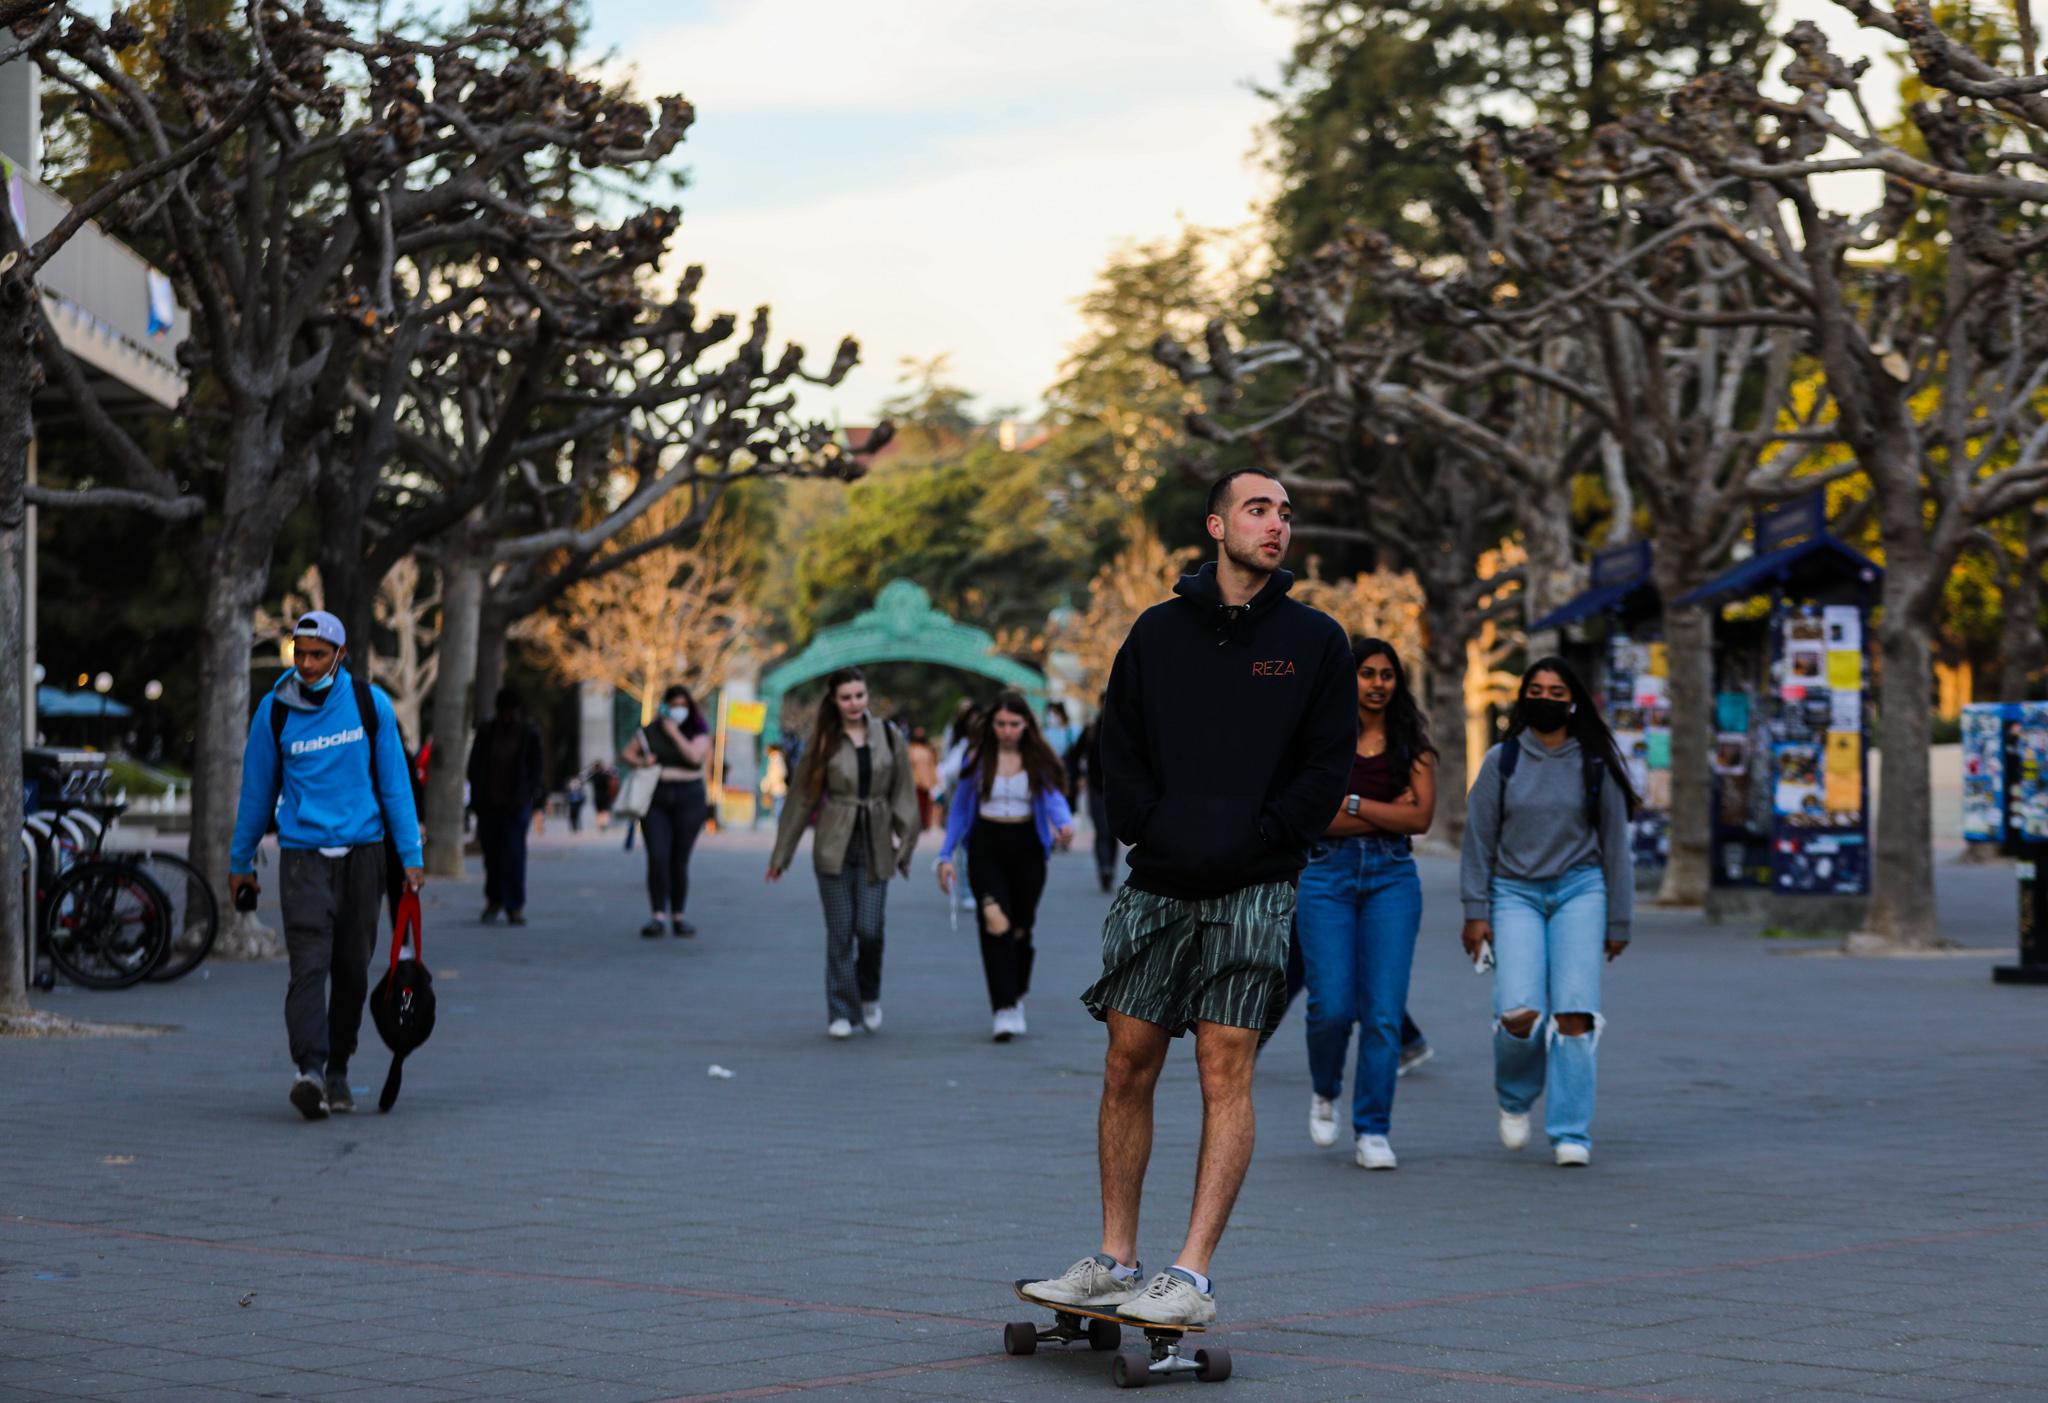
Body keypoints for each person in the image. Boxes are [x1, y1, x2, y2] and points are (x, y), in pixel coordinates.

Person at [1024, 468, 1353, 1329]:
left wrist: (1265, 836)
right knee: (1127, 1063)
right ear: (1217, 524)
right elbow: (1118, 743)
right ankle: (1114, 1257)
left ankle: (1190, 1275)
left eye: (1286, 512)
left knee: (1223, 1072)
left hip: (1255, 887)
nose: (1276, 523)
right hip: (1158, 881)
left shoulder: (1317, 639)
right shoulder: (1158, 632)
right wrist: (1148, 827)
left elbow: (1328, 763)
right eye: (1258, 509)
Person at [228, 610, 425, 1121]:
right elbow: (256, 794)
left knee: (352, 970)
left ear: (341, 655)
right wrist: (240, 860)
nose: (309, 664)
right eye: (301, 653)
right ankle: (309, 1072)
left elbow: (396, 787)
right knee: (308, 965)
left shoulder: (369, 704)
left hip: (365, 855)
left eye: (319, 655)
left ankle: (338, 1068)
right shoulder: (275, 712)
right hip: (302, 859)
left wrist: (411, 858)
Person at [1460, 656, 1637, 1168]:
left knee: (1576, 1012)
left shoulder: (1595, 762)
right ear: (1523, 697)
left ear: (1573, 700)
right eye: (1536, 689)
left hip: (1580, 891)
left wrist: (1619, 921)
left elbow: (1615, 847)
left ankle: (1570, 1130)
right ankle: (1515, 1099)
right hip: (1514, 892)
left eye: (1557, 691)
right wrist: (1476, 911)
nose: (1546, 698)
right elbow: (1478, 842)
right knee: (1518, 1013)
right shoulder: (1502, 760)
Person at [1297, 638, 1437, 1170]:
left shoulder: (1412, 743)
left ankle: (1373, 1129)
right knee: (1330, 1006)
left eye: (1387, 675)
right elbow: (1313, 817)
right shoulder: (1320, 739)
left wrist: (1352, 802)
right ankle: (1325, 1089)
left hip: (1392, 878)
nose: (1378, 684)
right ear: (1347, 679)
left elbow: (1421, 820)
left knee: (1382, 1013)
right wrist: (1385, 809)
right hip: (1325, 873)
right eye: (1367, 674)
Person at [767, 667, 920, 1038]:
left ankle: (868, 994)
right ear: (834, 701)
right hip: (834, 841)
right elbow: (802, 798)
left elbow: (903, 790)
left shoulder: (888, 735)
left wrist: (906, 844)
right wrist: (781, 856)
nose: (854, 703)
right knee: (840, 931)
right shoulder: (823, 740)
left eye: (859, 695)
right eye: (846, 697)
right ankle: (840, 1010)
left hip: (876, 841)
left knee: (869, 930)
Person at [936, 693, 1075, 1041]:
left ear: (1026, 724)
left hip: (1028, 847)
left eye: (1014, 724)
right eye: (1000, 724)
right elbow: (959, 809)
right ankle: (1003, 1007)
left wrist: (1064, 823)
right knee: (994, 922)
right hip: (987, 844)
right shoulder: (978, 758)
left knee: (1021, 929)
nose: (1007, 731)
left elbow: (1054, 798)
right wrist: (945, 855)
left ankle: (1016, 993)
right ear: (991, 725)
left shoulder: (1037, 759)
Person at [622, 685, 712, 939]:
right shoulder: (652, 729)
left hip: (689, 798)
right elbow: (627, 752)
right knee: (658, 857)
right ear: (666, 706)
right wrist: (641, 762)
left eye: (683, 705)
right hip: (656, 799)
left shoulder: (698, 729)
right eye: (674, 705)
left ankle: (679, 917)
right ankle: (657, 916)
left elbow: (695, 757)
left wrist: (674, 733)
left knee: (679, 860)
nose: (678, 710)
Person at [466, 687, 545, 926]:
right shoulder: (487, 731)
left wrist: (532, 794)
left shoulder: (528, 733)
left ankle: (514, 904)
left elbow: (537, 768)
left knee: (514, 855)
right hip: (489, 803)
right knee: (492, 857)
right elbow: (475, 764)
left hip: (516, 803)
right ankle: (494, 899)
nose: (508, 716)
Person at [1063, 703, 1117, 893]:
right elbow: (1074, 756)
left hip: (1118, 789)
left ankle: (1109, 867)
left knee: (1112, 832)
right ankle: (1104, 868)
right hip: (1096, 788)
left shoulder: (1124, 728)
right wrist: (1077, 776)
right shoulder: (1091, 731)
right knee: (1102, 830)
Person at [907, 725, 940, 831]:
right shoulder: (910, 749)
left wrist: (934, 780)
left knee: (926, 805)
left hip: (926, 782)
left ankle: (925, 824)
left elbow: (933, 765)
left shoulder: (928, 750)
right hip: (915, 782)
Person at [760, 743, 789, 820]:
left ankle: (780, 820)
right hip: (775, 787)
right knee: (777, 805)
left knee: (779, 805)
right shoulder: (774, 758)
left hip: (778, 787)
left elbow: (781, 772)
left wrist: (771, 781)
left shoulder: (777, 758)